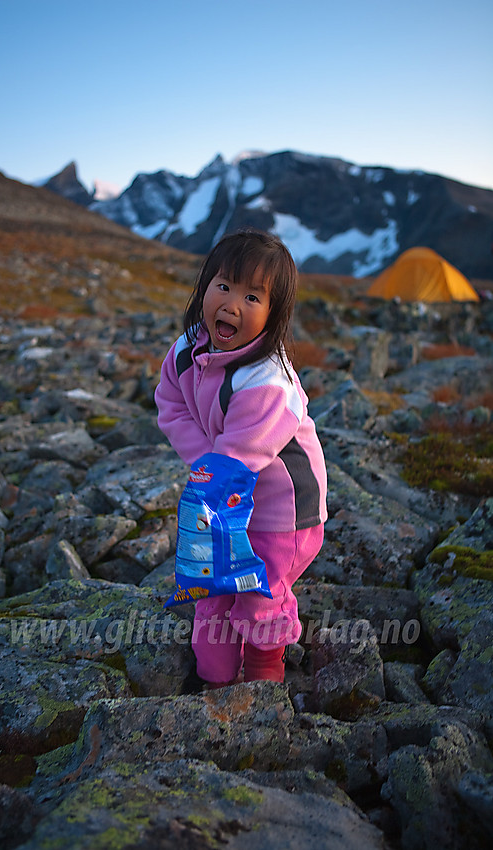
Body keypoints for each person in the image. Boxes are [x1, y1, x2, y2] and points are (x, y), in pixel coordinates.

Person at [155, 229, 327, 687]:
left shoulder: (267, 383)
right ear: (204, 286)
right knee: (212, 591)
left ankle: (264, 675)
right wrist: (202, 461)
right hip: (222, 494)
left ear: (274, 315)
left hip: (282, 513)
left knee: (257, 593)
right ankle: (214, 679)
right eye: (224, 286)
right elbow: (170, 405)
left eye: (253, 296)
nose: (231, 304)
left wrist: (208, 479)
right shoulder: (186, 353)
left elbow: (238, 459)